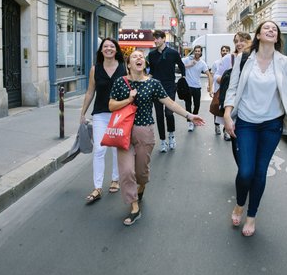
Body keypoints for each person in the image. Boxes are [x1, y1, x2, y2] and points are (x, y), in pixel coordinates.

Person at [223, 21, 287, 237]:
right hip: (246, 122)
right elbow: (232, 89)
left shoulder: (284, 63)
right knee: (245, 171)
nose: (271, 30)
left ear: (277, 37)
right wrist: (228, 114)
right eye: (266, 28)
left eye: (274, 29)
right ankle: (239, 203)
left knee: (260, 172)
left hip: (271, 125)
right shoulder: (244, 58)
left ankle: (251, 216)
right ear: (258, 35)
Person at [109, 50, 205, 226]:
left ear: (144, 64)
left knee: (141, 172)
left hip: (143, 130)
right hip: (123, 131)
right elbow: (111, 105)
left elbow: (170, 103)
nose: (138, 58)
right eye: (134, 57)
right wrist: (128, 100)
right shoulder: (120, 83)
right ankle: (134, 207)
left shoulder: (153, 83)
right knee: (127, 172)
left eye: (141, 57)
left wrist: (189, 116)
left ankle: (142, 186)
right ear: (128, 64)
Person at [80, 38, 127, 204]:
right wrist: (83, 113)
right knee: (99, 149)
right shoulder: (95, 69)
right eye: (105, 46)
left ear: (116, 50)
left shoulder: (123, 68)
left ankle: (115, 179)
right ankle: (97, 187)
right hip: (100, 113)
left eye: (112, 46)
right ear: (101, 50)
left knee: (116, 149)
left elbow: (130, 90)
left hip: (119, 114)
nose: (108, 49)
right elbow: (89, 92)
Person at [147, 31, 186, 153]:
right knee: (158, 115)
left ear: (164, 39)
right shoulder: (151, 54)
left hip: (169, 86)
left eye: (158, 38)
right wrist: (146, 80)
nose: (156, 41)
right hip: (156, 86)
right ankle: (163, 141)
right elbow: (152, 71)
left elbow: (181, 65)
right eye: (154, 39)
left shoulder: (173, 53)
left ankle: (171, 136)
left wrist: (183, 77)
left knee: (169, 113)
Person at [214, 32, 252, 142]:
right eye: (236, 41)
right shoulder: (228, 58)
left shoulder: (254, 57)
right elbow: (216, 74)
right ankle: (226, 130)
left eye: (242, 41)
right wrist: (227, 79)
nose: (239, 44)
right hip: (232, 98)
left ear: (250, 41)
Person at [182, 45, 213, 132]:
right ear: (193, 51)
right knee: (188, 104)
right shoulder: (187, 59)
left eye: (199, 51)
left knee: (197, 105)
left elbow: (209, 75)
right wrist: (189, 65)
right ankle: (190, 122)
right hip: (187, 86)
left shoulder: (202, 63)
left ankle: (194, 117)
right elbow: (179, 65)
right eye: (196, 51)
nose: (197, 52)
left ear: (201, 52)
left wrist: (210, 87)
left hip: (197, 86)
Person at [210, 45, 231, 135]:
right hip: (218, 89)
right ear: (220, 52)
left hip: (229, 91)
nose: (224, 52)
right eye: (223, 50)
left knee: (227, 110)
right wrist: (210, 88)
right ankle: (217, 125)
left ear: (229, 52)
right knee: (217, 108)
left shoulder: (232, 62)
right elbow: (212, 75)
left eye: (226, 50)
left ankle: (226, 131)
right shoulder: (216, 63)